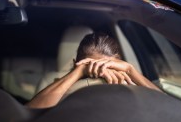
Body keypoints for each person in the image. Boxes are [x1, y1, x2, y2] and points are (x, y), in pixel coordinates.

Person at [26, 33, 161, 108]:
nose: (100, 72)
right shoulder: (55, 84)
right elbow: (31, 112)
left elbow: (169, 107)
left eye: (108, 66)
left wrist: (131, 70)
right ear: (75, 64)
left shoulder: (131, 86)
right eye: (90, 65)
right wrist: (79, 72)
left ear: (119, 65)